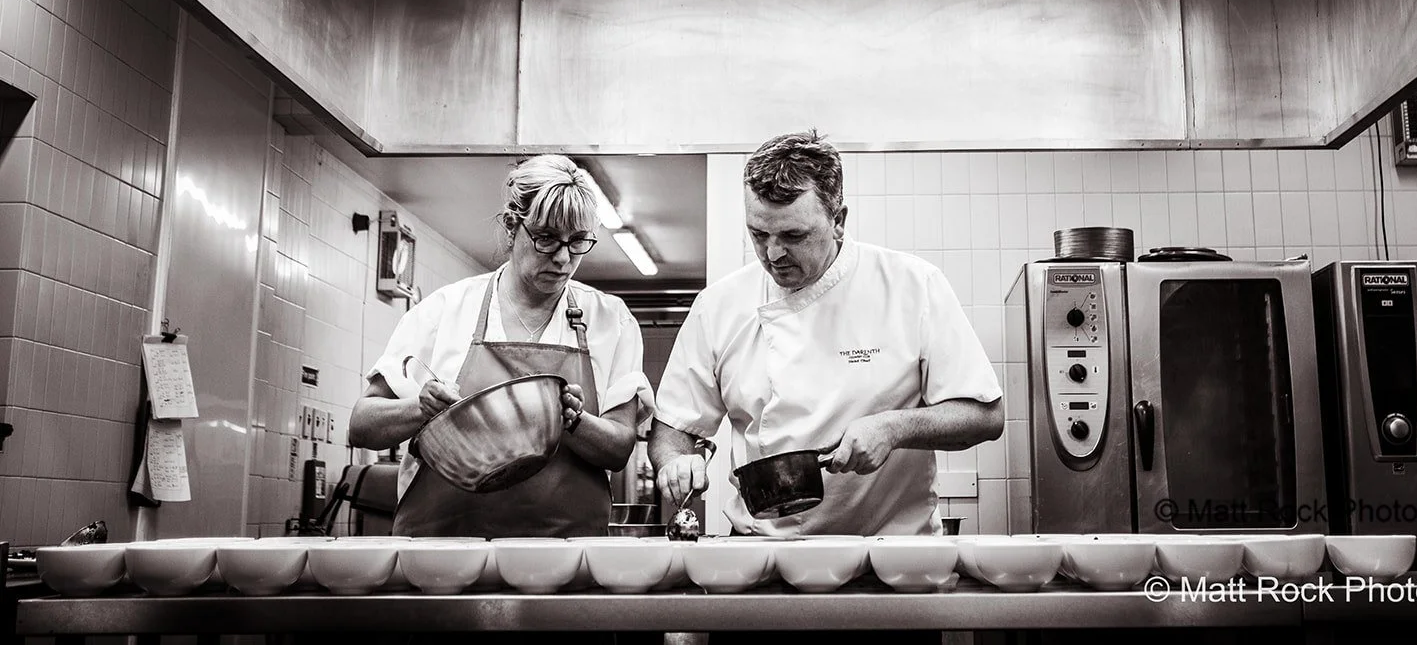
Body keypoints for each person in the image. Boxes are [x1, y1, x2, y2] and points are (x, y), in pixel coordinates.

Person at [649, 129, 1003, 539]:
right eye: (758, 235)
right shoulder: (718, 307)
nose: (773, 255)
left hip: (890, 555)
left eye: (793, 236)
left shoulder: (912, 285)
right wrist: (677, 462)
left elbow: (985, 416)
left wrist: (893, 428)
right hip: (761, 554)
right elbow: (674, 429)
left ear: (838, 221)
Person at [350, 154, 653, 538]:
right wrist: (420, 408)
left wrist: (573, 421)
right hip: (443, 556)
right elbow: (362, 424)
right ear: (513, 225)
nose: (562, 258)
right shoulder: (445, 311)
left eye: (577, 243)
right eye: (546, 239)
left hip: (564, 555)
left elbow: (619, 448)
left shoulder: (610, 320)